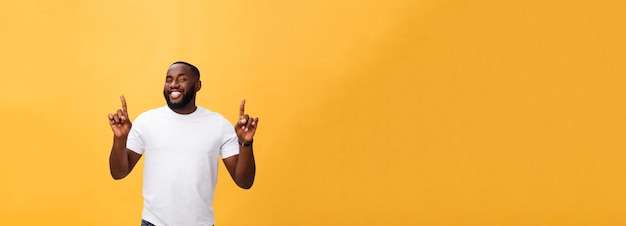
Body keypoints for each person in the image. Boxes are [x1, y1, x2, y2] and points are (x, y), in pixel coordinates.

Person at [107, 61, 258, 226]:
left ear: (197, 85)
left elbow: (244, 182)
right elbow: (119, 173)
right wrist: (120, 139)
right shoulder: (146, 121)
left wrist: (245, 143)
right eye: (169, 79)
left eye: (182, 79)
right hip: (154, 223)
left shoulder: (218, 124)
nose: (173, 85)